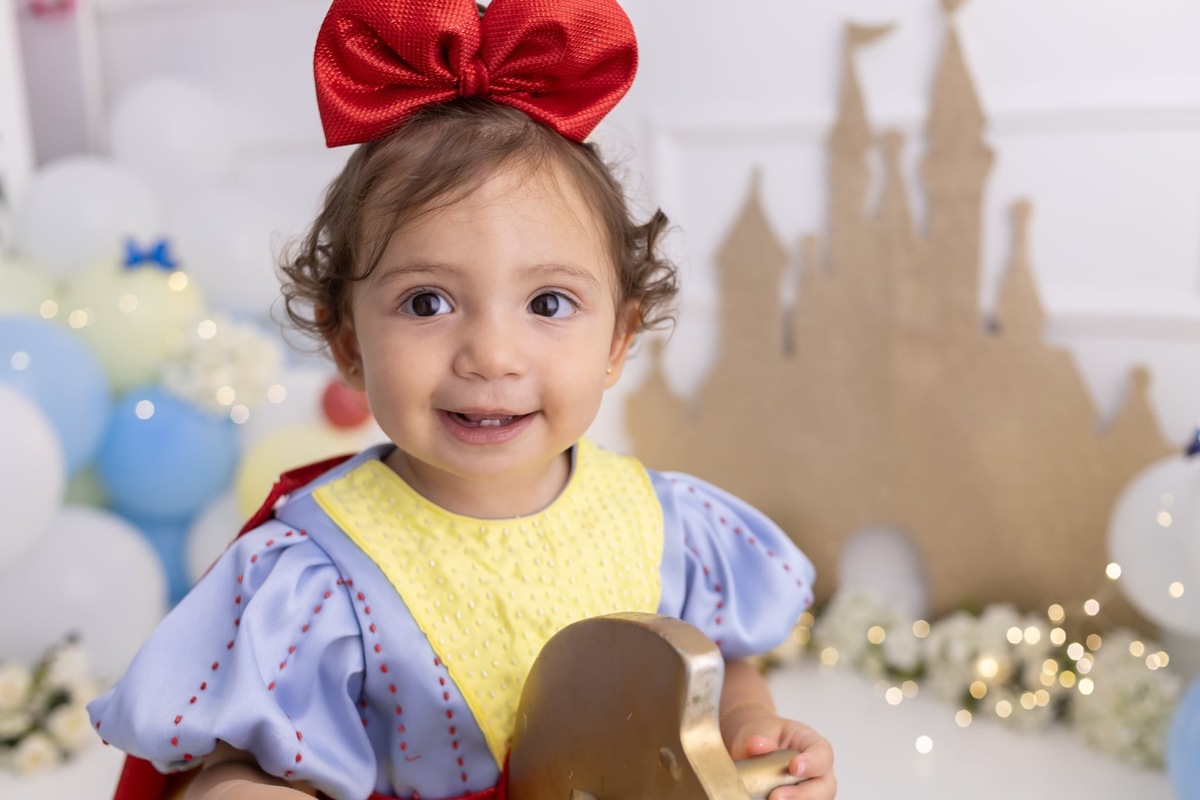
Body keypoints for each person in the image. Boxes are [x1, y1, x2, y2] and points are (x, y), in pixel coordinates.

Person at [88, 1, 836, 799]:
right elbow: (239, 756)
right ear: (347, 341)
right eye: (427, 303)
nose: (491, 356)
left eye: (548, 303)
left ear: (619, 339)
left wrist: (747, 731)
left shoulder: (666, 526)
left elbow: (719, 673)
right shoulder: (320, 569)